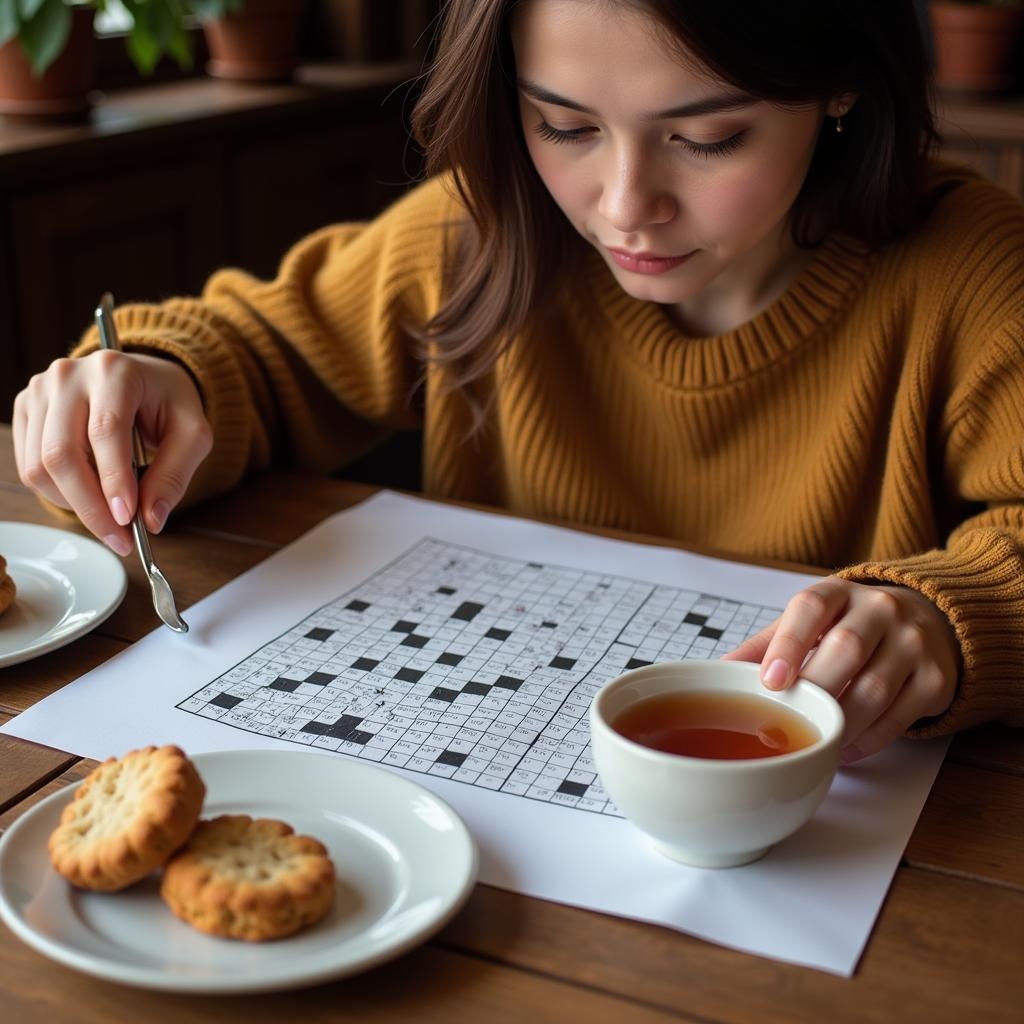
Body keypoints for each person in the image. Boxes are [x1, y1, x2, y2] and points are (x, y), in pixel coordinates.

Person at [11, 0, 1024, 763]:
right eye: (564, 125)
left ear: (838, 83)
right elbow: (263, 350)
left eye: (708, 136)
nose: (625, 206)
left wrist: (947, 614)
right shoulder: (476, 231)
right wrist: (154, 375)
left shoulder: (972, 271)